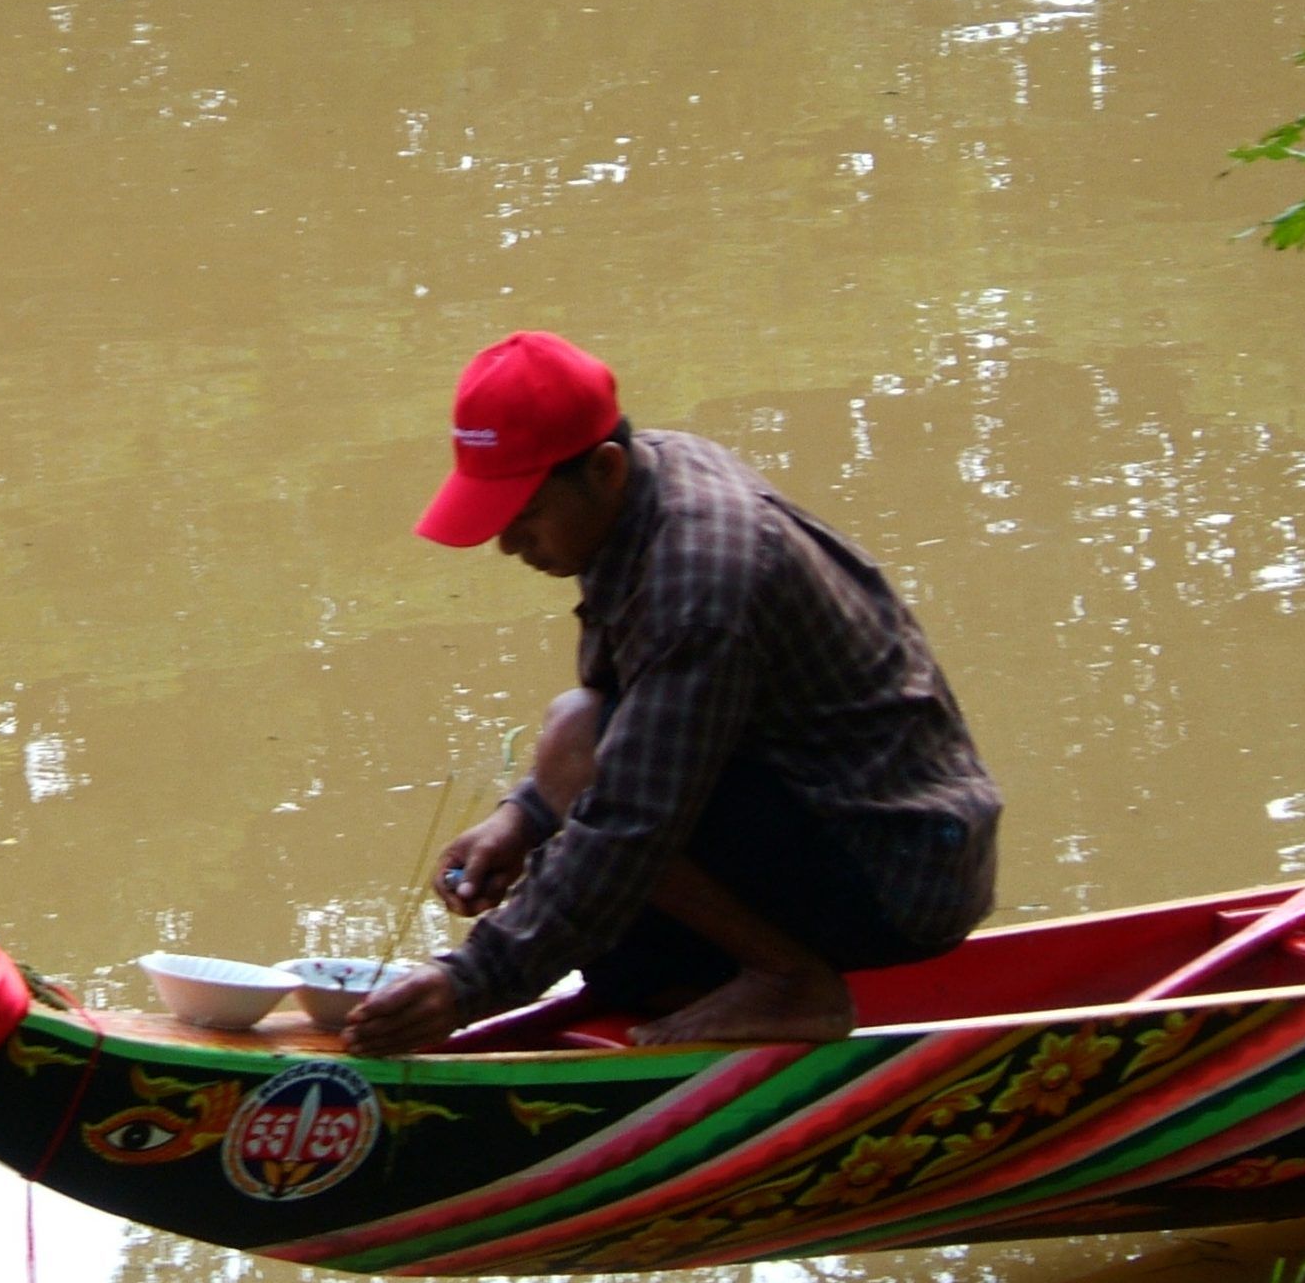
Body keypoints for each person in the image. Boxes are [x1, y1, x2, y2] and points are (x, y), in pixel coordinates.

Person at [344, 330, 999, 1057]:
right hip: (817, 806)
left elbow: (632, 817)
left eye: (525, 515)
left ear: (604, 469)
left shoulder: (701, 578)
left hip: (899, 865)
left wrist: (471, 983)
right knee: (614, 931)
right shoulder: (644, 483)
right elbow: (632, 720)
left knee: (584, 767)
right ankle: (732, 989)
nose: (508, 543)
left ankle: (789, 982)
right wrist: (523, 818)